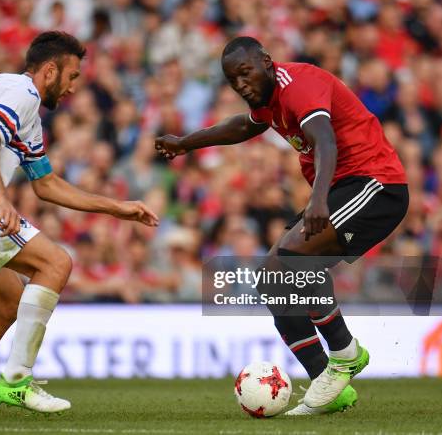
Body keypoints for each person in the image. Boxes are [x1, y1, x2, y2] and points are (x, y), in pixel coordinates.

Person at [0, 31, 159, 420]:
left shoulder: (21, 108)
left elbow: (46, 184)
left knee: (6, 300)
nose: (74, 87)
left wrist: (116, 208)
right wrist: (0, 196)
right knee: (55, 263)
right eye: (72, 77)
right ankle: (16, 381)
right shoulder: (22, 93)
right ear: (49, 70)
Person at [155, 36, 408, 415]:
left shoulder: (299, 87)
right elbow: (243, 126)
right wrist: (187, 143)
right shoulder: (269, 102)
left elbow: (324, 141)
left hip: (376, 184)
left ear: (267, 63)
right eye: (232, 80)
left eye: (245, 73)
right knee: (272, 278)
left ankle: (345, 354)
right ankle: (330, 385)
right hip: (341, 187)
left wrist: (318, 198)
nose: (241, 85)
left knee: (294, 257)